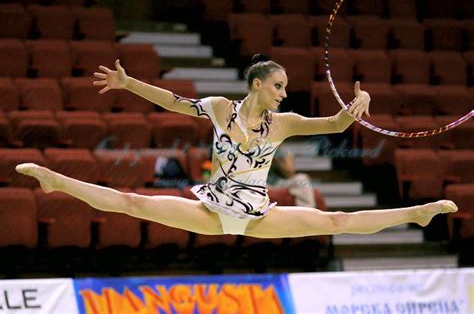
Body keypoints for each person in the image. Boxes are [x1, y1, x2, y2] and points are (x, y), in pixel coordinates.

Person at [16, 55, 458, 237]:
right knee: (133, 202)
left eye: (285, 87)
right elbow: (172, 102)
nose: (284, 93)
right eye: (278, 86)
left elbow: (335, 123)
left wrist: (357, 105)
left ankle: (416, 213)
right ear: (257, 84)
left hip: (257, 214)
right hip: (210, 208)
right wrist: (129, 83)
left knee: (336, 219)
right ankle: (56, 181)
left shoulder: (283, 124)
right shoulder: (218, 107)